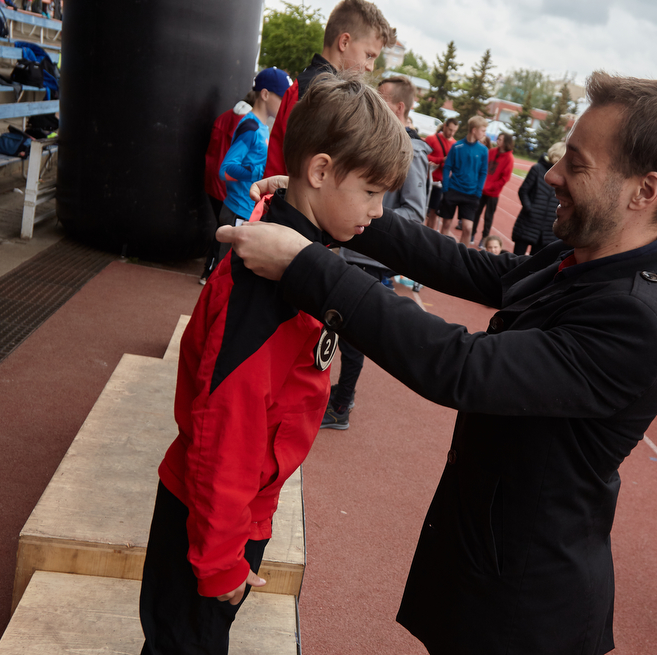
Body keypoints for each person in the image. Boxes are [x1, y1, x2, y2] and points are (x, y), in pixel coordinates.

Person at [219, 70, 657, 655]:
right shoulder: (594, 257)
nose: (552, 175)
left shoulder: (637, 319)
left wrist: (308, 266)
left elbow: (463, 366)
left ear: (645, 190)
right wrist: (344, 206)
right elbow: (474, 268)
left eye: (577, 164)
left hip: (525, 605)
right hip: (491, 557)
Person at [138, 74, 412, 654]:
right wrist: (220, 558)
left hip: (237, 510)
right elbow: (226, 426)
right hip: (209, 517)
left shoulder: (299, 255)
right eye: (370, 192)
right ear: (319, 171)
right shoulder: (268, 284)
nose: (377, 212)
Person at [322, 75, 432, 430]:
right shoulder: (382, 142)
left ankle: (342, 404)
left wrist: (364, 212)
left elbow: (414, 212)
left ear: (398, 107)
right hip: (354, 251)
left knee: (352, 336)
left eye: (379, 99)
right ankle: (339, 395)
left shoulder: (412, 153)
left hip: (370, 259)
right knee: (338, 331)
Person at [262, 0, 394, 178]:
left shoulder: (315, 85)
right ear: (344, 42)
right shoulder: (316, 91)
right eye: (369, 55)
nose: (370, 67)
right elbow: (305, 173)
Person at [217, 68, 292, 227]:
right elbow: (225, 170)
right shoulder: (251, 128)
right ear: (265, 95)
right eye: (281, 98)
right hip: (238, 211)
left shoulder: (261, 127)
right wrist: (259, 172)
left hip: (247, 210)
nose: (285, 103)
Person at [201, 95, 253, 283]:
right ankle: (210, 271)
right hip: (229, 184)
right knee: (224, 230)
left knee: (222, 226)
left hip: (212, 176)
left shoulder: (224, 117)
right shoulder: (249, 124)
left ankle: (210, 271)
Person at [437, 115, 489, 247]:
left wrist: (478, 192)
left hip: (471, 194)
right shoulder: (457, 146)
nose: (484, 134)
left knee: (468, 228)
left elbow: (483, 172)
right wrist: (446, 188)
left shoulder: (483, 150)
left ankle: (462, 255)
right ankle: (442, 251)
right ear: (474, 130)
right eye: (483, 130)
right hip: (453, 190)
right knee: (446, 224)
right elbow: (447, 167)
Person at [510, 141, 564, 255]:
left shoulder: (563, 176)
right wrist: (529, 208)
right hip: (528, 223)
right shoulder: (537, 169)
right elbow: (523, 191)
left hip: (546, 230)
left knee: (535, 262)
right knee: (516, 259)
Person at [470, 132, 515, 246]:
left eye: (500, 139)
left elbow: (504, 178)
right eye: (498, 138)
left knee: (488, 217)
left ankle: (484, 239)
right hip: (481, 190)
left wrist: (491, 186)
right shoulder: (491, 152)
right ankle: (472, 233)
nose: (498, 141)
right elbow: (482, 167)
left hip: (493, 193)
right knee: (475, 212)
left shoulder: (509, 158)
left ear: (506, 142)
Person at [424, 118, 459, 232]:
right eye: (450, 130)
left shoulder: (455, 144)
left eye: (454, 131)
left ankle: (428, 234)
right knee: (421, 209)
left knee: (434, 212)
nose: (451, 133)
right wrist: (441, 160)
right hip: (427, 179)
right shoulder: (431, 139)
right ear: (444, 126)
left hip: (441, 182)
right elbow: (423, 156)